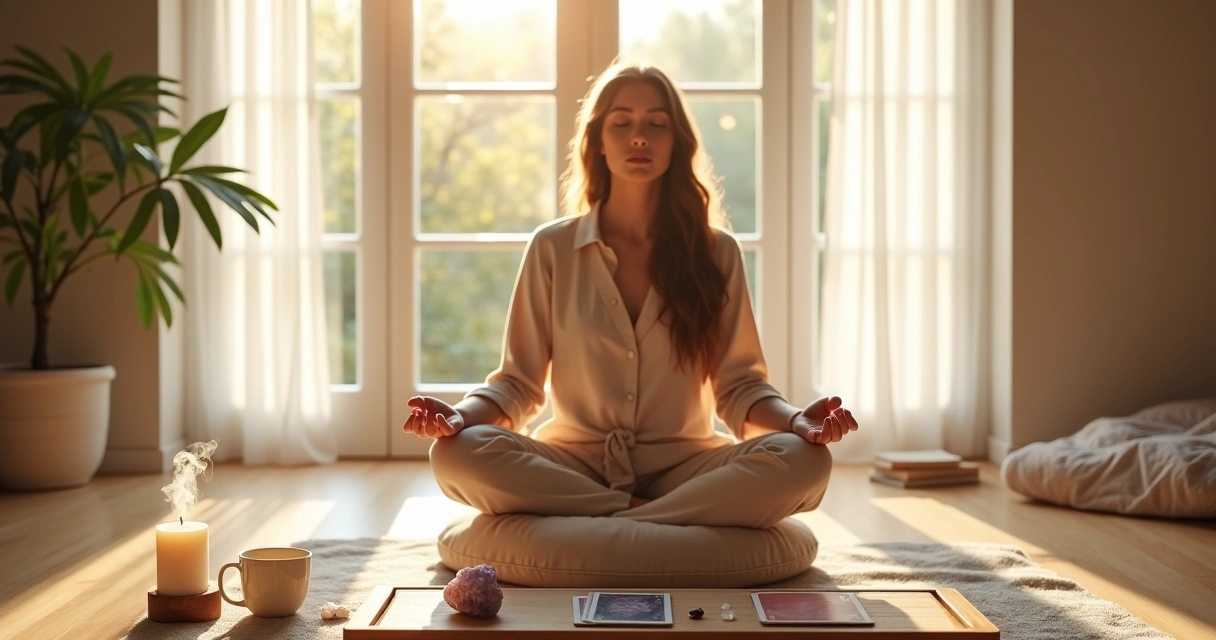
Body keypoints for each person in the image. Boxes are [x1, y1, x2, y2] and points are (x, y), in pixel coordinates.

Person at [403, 62, 858, 529]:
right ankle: (652, 518)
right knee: (456, 453)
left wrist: (797, 422)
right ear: (599, 140)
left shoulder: (717, 252)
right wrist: (458, 417)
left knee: (805, 460)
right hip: (573, 465)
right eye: (621, 123)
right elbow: (518, 384)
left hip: (685, 468)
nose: (639, 137)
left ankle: (617, 516)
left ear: (676, 141)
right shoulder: (552, 247)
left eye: (656, 124)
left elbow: (740, 388)